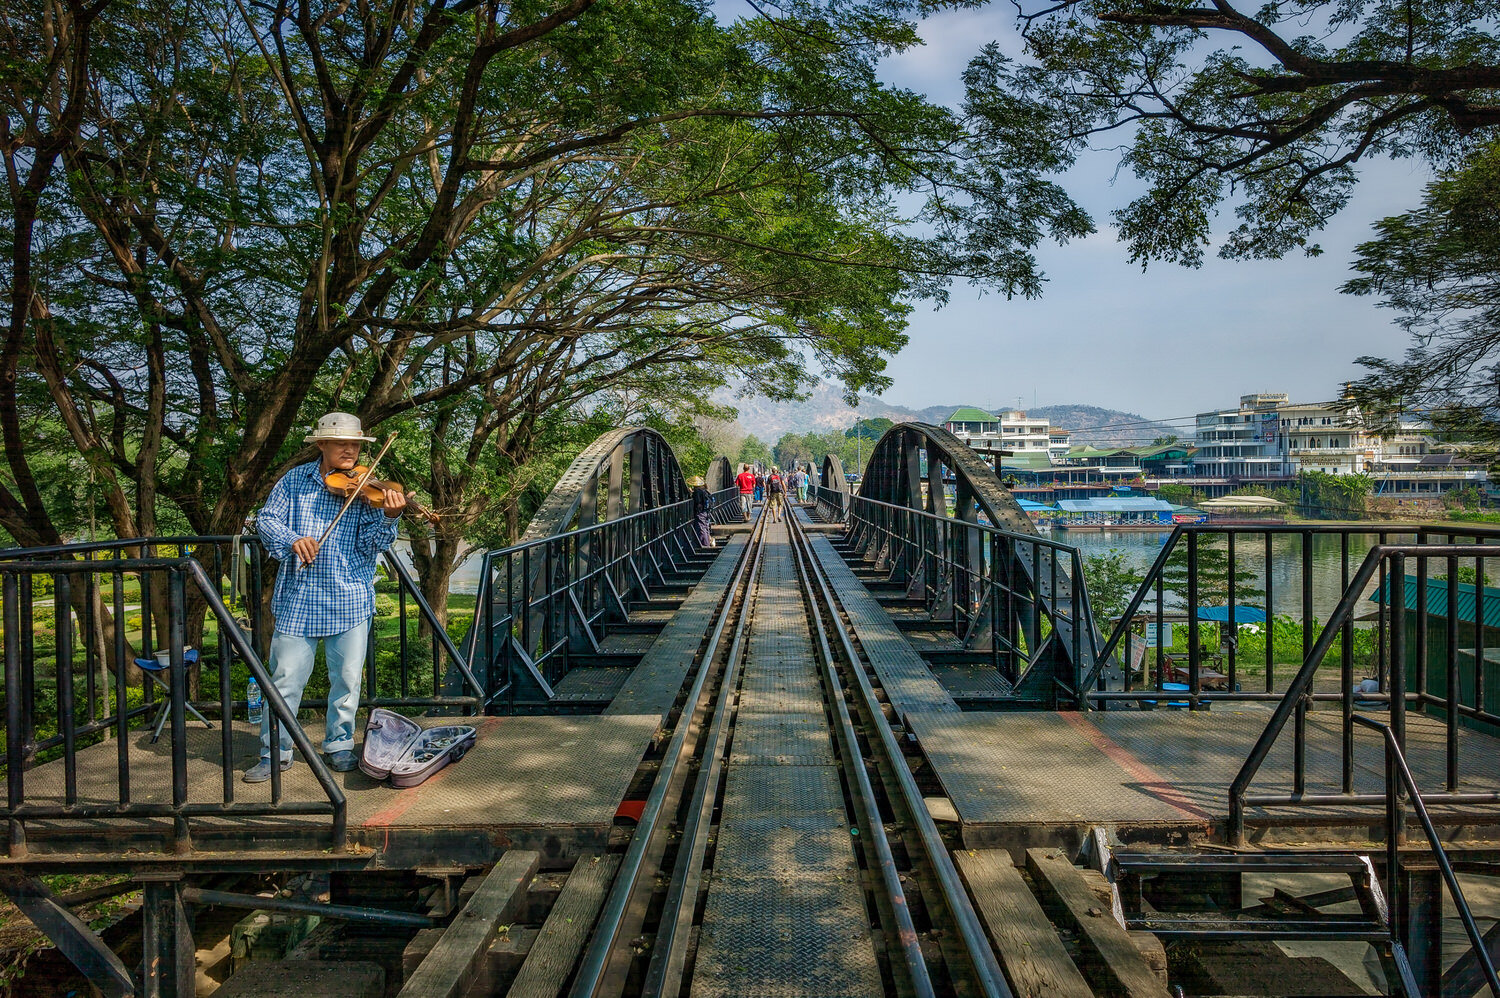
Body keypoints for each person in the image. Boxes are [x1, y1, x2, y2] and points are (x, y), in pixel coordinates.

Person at [245, 412, 409, 782]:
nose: (350, 450)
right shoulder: (294, 481)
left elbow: (371, 546)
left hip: (349, 596)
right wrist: (292, 539)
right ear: (322, 445)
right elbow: (266, 519)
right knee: (285, 679)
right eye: (342, 443)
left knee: (348, 681)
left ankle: (338, 745)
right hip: (297, 596)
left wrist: (388, 518)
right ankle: (276, 751)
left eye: (356, 444)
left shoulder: (368, 489)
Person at [689, 475, 715, 547]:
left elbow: (697, 501)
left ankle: (705, 544)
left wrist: (691, 494)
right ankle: (707, 543)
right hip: (706, 511)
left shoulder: (697, 492)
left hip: (700, 512)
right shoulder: (705, 491)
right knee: (705, 527)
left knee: (701, 528)